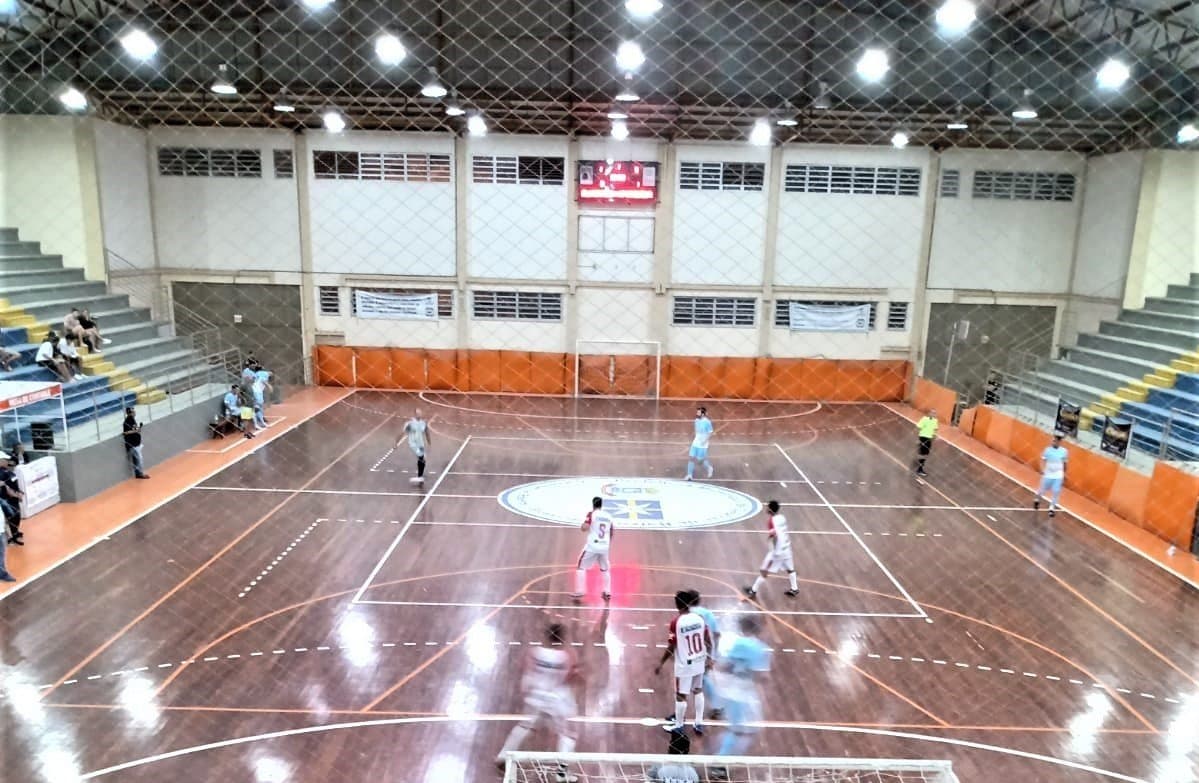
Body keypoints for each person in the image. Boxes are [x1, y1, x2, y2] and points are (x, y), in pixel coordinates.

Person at [494, 623, 580, 783]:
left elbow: (527, 673)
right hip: (557, 700)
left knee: (525, 726)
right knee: (568, 735)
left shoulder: (535, 653)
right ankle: (562, 773)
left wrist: (527, 688)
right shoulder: (566, 657)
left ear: (547, 636)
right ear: (561, 637)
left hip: (536, 697)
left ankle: (503, 756)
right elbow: (570, 677)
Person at [711, 616, 772, 777]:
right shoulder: (760, 649)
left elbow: (723, 667)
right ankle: (719, 763)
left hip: (730, 692)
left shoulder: (737, 644)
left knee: (739, 729)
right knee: (740, 731)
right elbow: (763, 676)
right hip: (743, 696)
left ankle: (721, 756)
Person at [655, 590, 712, 735]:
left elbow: (671, 646)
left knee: (681, 695)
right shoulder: (699, 618)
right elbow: (707, 639)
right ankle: (699, 723)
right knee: (698, 690)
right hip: (700, 659)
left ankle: (679, 725)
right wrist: (710, 657)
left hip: (685, 665)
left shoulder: (676, 622)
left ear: (677, 605)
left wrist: (661, 663)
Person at [744, 500, 798, 599]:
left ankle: (753, 591)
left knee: (764, 571)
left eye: (767, 506)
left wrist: (773, 549)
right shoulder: (782, 517)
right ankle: (794, 589)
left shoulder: (771, 521)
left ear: (770, 509)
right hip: (787, 548)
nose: (766, 508)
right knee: (790, 569)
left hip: (778, 552)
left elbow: (774, 536)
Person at [572, 496, 613, 604]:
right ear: (601, 504)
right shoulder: (609, 516)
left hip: (593, 546)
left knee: (581, 567)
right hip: (605, 546)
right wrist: (607, 543)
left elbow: (584, 527)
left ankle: (580, 591)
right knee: (605, 569)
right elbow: (612, 531)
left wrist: (583, 526)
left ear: (593, 504)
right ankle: (607, 592)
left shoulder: (592, 514)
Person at [1034, 433, 1069, 518]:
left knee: (1056, 491)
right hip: (1048, 474)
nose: (1053, 442)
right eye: (1052, 440)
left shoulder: (1064, 451)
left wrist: (1064, 474)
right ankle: (1037, 499)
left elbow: (1065, 463)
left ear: (1059, 442)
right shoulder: (1047, 450)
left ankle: (1051, 509)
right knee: (1042, 490)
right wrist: (1042, 470)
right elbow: (1042, 461)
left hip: (1058, 475)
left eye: (1055, 441)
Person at [398, 408, 431, 485]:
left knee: (423, 460)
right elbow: (402, 433)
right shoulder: (410, 423)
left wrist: (429, 443)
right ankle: (419, 477)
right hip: (413, 444)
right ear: (415, 414)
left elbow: (427, 433)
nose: (419, 414)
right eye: (417, 413)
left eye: (420, 413)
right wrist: (396, 442)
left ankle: (420, 476)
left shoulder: (423, 423)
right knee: (421, 457)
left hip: (420, 444)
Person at [0, 452, 23, 548]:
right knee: (12, 517)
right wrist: (17, 495)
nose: (7, 462)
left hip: (10, 499)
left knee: (11, 517)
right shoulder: (5, 474)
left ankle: (12, 535)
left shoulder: (8, 473)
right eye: (5, 460)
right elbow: (7, 488)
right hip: (7, 500)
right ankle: (12, 537)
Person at [685, 406, 714, 481]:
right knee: (691, 458)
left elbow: (710, 433)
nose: (697, 413)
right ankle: (689, 475)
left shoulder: (707, 422)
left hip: (703, 444)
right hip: (695, 442)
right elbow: (696, 430)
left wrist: (704, 441)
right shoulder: (696, 420)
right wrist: (695, 438)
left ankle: (709, 468)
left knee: (699, 461)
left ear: (703, 414)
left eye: (698, 412)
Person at [123, 407, 149, 479]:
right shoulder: (127, 421)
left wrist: (138, 428)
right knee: (140, 459)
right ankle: (140, 473)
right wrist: (136, 431)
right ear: (130, 413)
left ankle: (138, 473)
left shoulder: (132, 420)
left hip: (136, 443)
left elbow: (134, 429)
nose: (135, 413)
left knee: (137, 459)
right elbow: (125, 433)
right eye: (133, 412)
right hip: (133, 444)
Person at [915, 409, 939, 477]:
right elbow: (918, 427)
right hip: (923, 437)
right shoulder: (924, 419)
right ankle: (920, 469)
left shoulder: (935, 421)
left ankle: (920, 463)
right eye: (932, 413)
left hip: (929, 439)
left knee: (926, 453)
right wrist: (918, 438)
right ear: (929, 413)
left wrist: (935, 436)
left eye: (935, 413)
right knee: (924, 453)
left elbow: (935, 429)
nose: (933, 414)